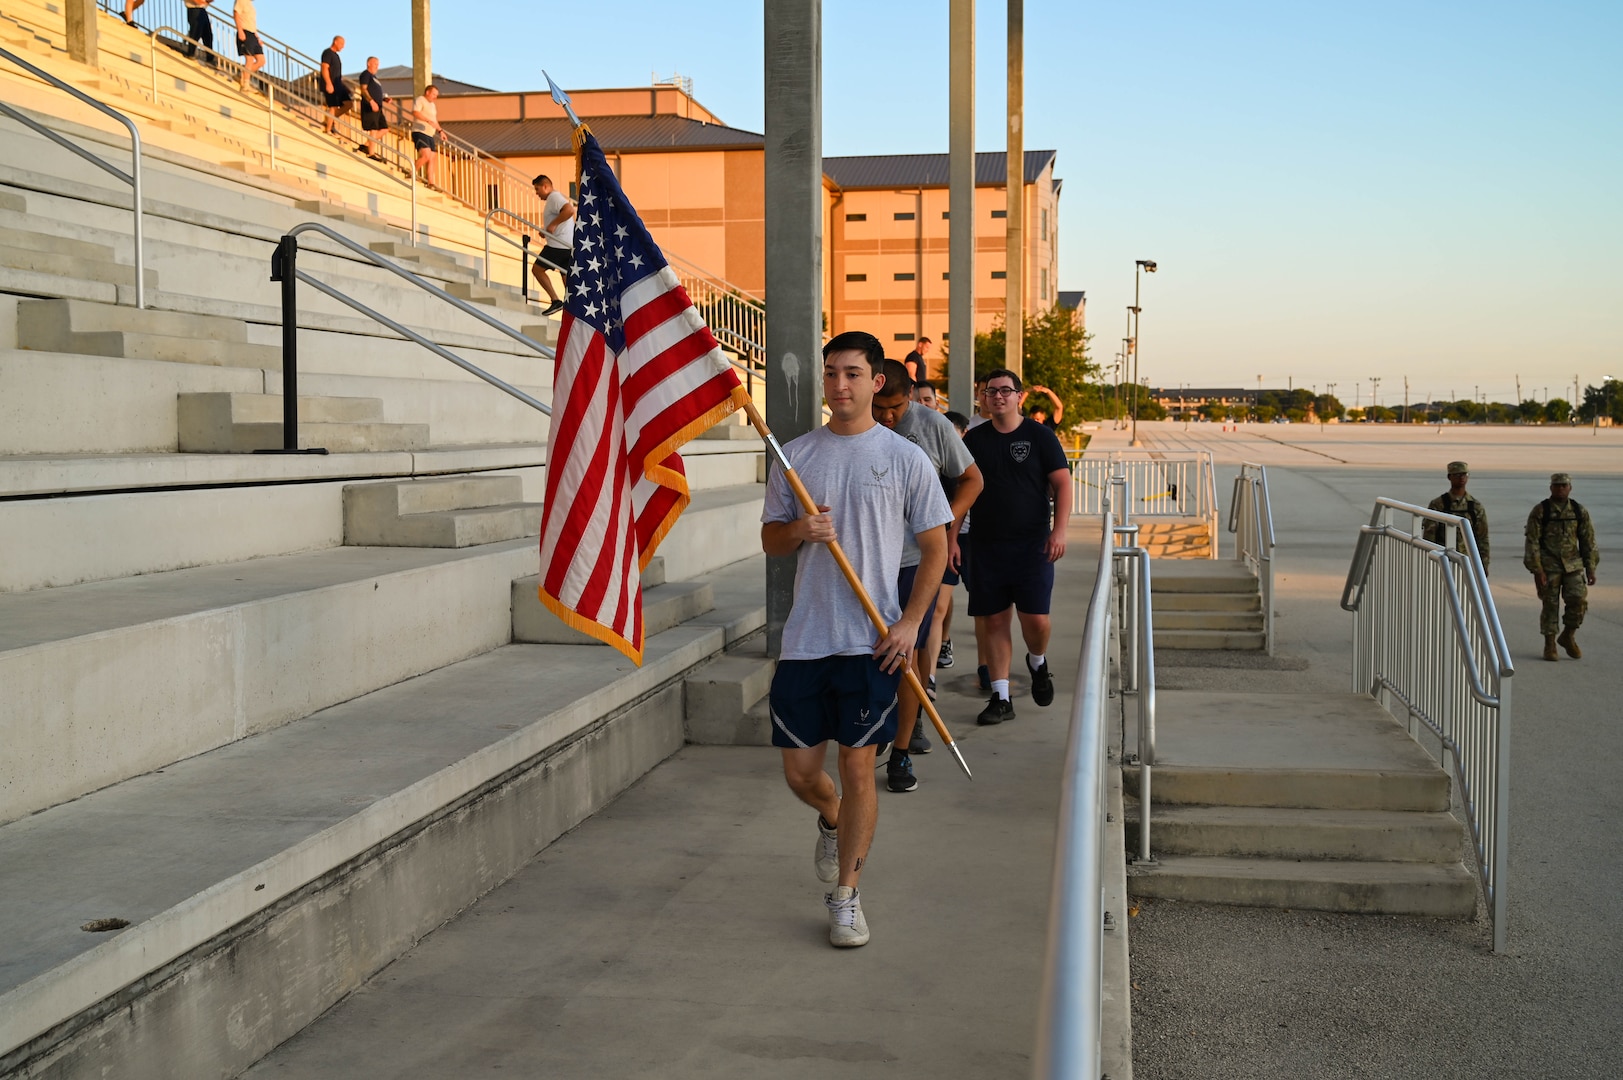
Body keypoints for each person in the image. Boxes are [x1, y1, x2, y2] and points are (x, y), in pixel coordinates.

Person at [761, 331, 951, 947]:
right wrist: (800, 530)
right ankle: (831, 817)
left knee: (858, 765)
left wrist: (909, 624)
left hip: (872, 642)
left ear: (876, 381)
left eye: (853, 374)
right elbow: (770, 540)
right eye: (832, 374)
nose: (840, 385)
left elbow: (935, 548)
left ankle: (847, 894)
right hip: (807, 639)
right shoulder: (794, 456)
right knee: (800, 773)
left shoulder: (904, 458)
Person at [870, 360, 982, 794]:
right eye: (879, 407)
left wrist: (944, 523)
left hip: (915, 561)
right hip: (867, 563)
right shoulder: (856, 425)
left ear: (910, 395)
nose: (887, 417)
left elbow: (972, 480)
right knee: (868, 656)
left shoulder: (933, 425)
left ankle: (901, 748)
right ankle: (876, 730)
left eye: (895, 407)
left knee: (908, 657)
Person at [963, 367, 1072, 724]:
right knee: (994, 621)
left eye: (1005, 391)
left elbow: (1063, 483)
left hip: (1033, 546)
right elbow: (960, 493)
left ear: (1019, 397)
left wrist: (1060, 531)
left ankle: (1038, 662)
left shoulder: (1040, 436)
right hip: (986, 546)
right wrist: (951, 539)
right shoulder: (974, 441)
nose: (997, 396)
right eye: (990, 391)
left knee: (1036, 620)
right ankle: (1000, 696)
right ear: (983, 397)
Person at [1524, 472, 1598, 661]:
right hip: (1549, 566)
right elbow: (1532, 541)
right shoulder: (1541, 511)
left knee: (1579, 601)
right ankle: (1550, 645)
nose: (1560, 489)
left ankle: (1568, 636)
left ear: (1570, 488)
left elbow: (1588, 540)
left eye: (1564, 486)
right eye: (1557, 486)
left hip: (1573, 565)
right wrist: (1537, 569)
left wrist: (1590, 567)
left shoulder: (1578, 511)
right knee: (1550, 605)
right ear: (1551, 488)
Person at [937, 411, 973, 675]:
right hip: (941, 537)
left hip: (970, 538)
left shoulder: (968, 466)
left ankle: (986, 670)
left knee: (986, 609)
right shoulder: (932, 457)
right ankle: (929, 677)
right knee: (938, 603)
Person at [1423, 461, 1489, 570]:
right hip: (1444, 563)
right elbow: (1429, 537)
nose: (1462, 478)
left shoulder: (1475, 507)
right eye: (1457, 475)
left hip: (1467, 564)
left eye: (1464, 474)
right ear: (1449, 477)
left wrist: (1483, 565)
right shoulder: (1438, 504)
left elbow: (1482, 539)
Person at [531, 175, 576, 316]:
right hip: (566, 244)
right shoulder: (554, 199)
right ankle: (573, 306)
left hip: (558, 245)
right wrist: (548, 230)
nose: (536, 193)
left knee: (537, 269)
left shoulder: (554, 197)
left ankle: (556, 301)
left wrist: (552, 225)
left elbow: (569, 210)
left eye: (537, 189)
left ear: (545, 186)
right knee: (565, 275)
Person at [356, 57, 389, 160]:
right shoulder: (366, 74)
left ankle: (366, 145)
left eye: (378, 64)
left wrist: (384, 99)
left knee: (384, 128)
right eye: (375, 64)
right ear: (369, 64)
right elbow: (363, 89)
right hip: (370, 106)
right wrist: (371, 101)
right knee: (373, 129)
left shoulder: (374, 77)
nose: (377, 66)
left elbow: (374, 90)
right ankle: (371, 153)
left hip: (378, 107)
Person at [320, 37, 354, 135]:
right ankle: (329, 129)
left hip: (338, 84)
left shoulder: (336, 56)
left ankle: (328, 119)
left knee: (348, 104)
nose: (343, 46)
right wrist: (328, 83)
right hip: (331, 84)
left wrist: (345, 87)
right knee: (333, 106)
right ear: (335, 42)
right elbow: (324, 68)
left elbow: (337, 73)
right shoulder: (327, 53)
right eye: (341, 44)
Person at [411, 85, 440, 189]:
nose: (435, 97)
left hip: (430, 134)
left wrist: (440, 130)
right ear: (427, 92)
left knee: (432, 158)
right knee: (426, 155)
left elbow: (434, 120)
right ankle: (411, 172)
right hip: (419, 132)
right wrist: (427, 120)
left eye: (436, 95)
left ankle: (431, 182)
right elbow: (415, 112)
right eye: (433, 94)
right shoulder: (420, 100)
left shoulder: (432, 105)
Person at [232, 0, 263, 93]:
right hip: (245, 31)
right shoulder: (241, 1)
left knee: (261, 61)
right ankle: (245, 84)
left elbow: (252, 22)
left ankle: (242, 75)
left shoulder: (251, 5)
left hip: (252, 33)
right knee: (249, 59)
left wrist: (257, 37)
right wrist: (240, 30)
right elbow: (236, 14)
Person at [182, 0, 213, 65]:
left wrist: (206, 2)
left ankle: (210, 57)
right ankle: (191, 53)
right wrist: (202, 2)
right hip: (193, 9)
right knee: (196, 32)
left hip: (202, 10)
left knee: (208, 35)